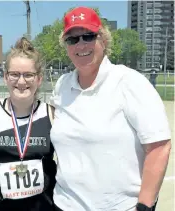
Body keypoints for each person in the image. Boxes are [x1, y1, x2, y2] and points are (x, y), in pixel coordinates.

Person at [49, 6, 171, 211]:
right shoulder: (62, 85)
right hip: (64, 205)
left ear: (103, 40)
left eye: (88, 36)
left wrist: (145, 206)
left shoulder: (129, 82)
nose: (81, 45)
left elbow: (158, 147)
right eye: (72, 39)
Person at [0, 37, 56, 211]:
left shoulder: (51, 114)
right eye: (14, 74)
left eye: (28, 75)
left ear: (39, 79)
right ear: (5, 77)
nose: (21, 82)